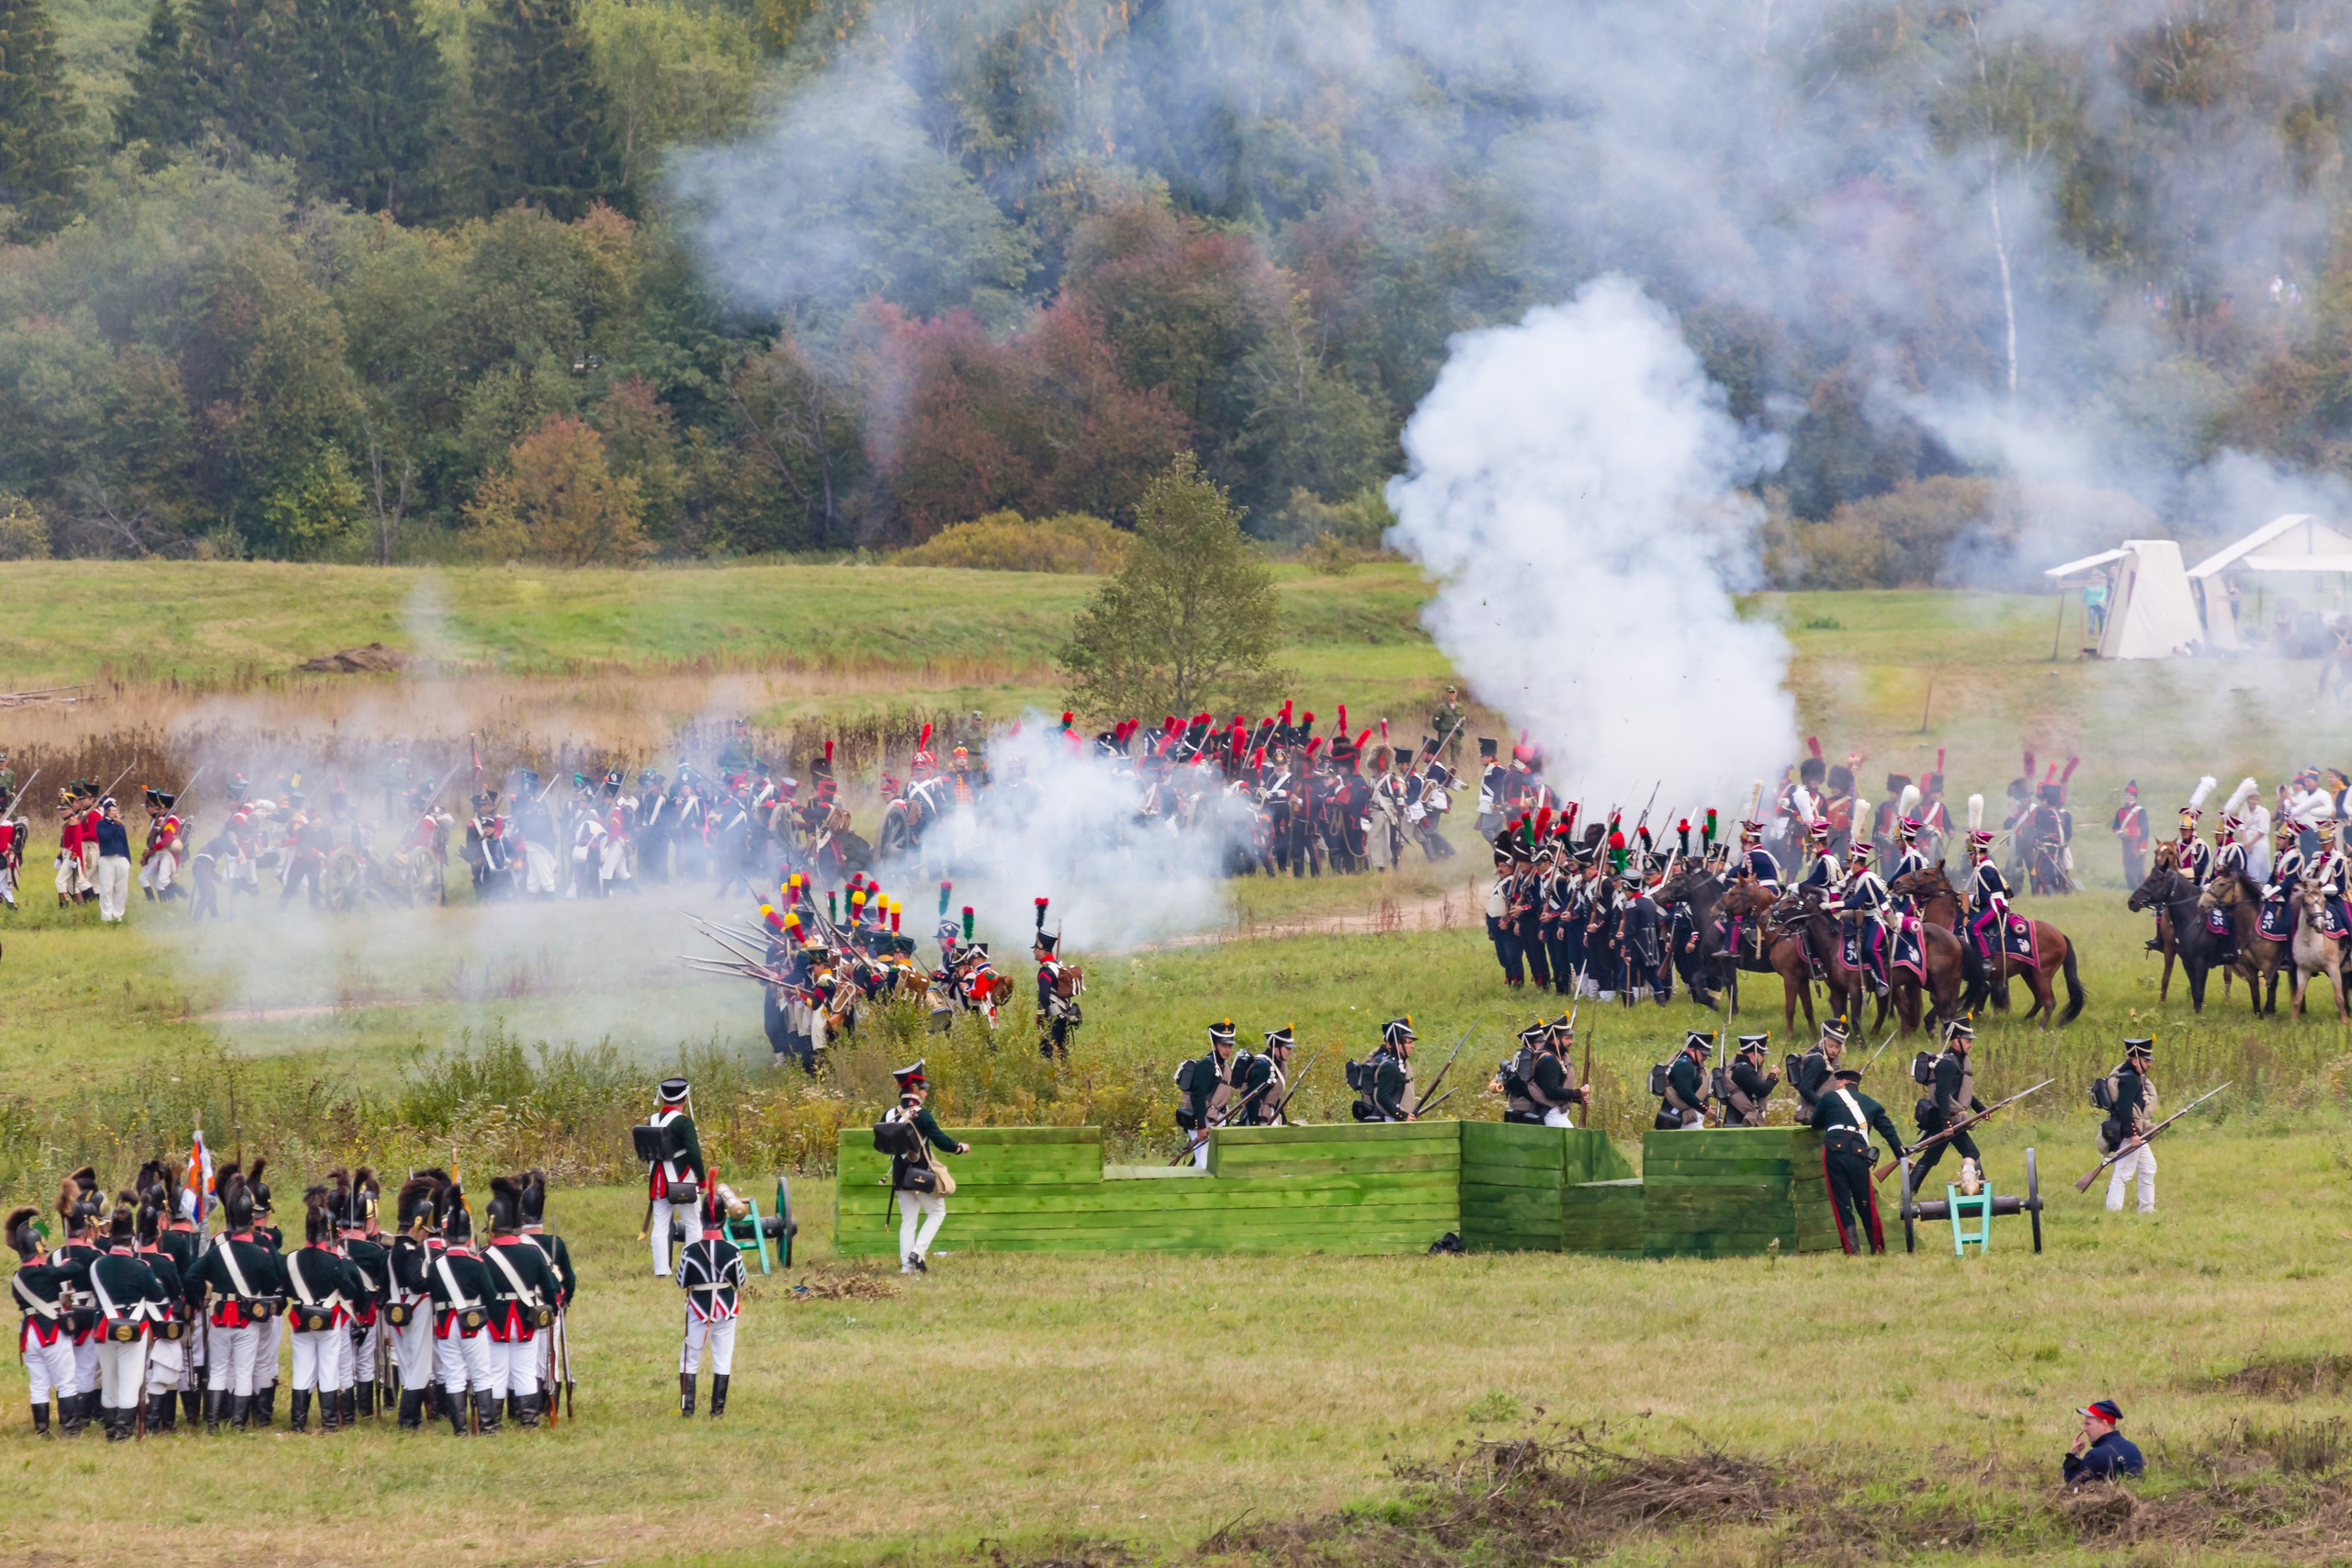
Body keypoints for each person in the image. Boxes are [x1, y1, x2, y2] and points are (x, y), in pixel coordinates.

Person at [189, 1163, 283, 1431]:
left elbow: (193, 1276)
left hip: (220, 1316)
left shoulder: (218, 1249)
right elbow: (271, 1284)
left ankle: (213, 1423)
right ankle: (240, 1425)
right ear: (251, 1219)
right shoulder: (261, 1252)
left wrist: (202, 1295)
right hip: (247, 1319)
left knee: (218, 1370)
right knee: (243, 1370)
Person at [481, 1176, 560, 1428]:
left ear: (492, 1228)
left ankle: (492, 1422)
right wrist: (553, 1310)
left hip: (495, 1321)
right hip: (526, 1319)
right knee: (525, 1371)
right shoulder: (532, 1252)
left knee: (496, 1372)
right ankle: (529, 1421)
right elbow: (550, 1288)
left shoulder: (484, 1257)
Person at [881, 1061, 967, 1272]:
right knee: (937, 1212)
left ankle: (906, 1267)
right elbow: (940, 1140)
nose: (926, 1093)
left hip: (900, 1178)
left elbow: (882, 1144)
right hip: (920, 1175)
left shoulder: (889, 1114)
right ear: (914, 1089)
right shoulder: (922, 1114)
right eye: (923, 1089)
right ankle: (917, 1253)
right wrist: (959, 1148)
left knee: (908, 1222)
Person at [1810, 1066, 1905, 1256]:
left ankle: (1852, 1251)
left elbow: (1815, 1122)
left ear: (1843, 1082)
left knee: (1842, 1203)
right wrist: (1902, 1157)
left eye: (1837, 1082)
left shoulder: (1829, 1097)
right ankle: (1877, 1248)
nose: (1835, 1085)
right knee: (1866, 1202)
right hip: (1859, 1153)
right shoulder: (1872, 1104)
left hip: (1834, 1152)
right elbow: (1889, 1132)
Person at [675, 1181, 748, 1418]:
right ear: (724, 1220)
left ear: (702, 1218)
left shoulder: (690, 1251)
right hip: (726, 1308)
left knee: (690, 1359)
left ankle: (688, 1410)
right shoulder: (733, 1250)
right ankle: (717, 1411)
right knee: (723, 1358)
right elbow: (741, 1281)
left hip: (698, 1308)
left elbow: (680, 1281)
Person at [427, 1186, 494, 1436]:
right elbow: (490, 1295)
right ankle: (487, 1427)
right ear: (469, 1238)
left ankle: (460, 1430)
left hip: (446, 1326)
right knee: (481, 1375)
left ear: (445, 1237)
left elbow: (432, 1293)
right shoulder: (476, 1264)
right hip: (473, 1324)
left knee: (454, 1375)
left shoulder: (435, 1267)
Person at [9, 1204, 81, 1436]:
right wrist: (67, 1263)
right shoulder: (47, 1272)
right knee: (66, 1381)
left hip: (29, 1334)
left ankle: (42, 1430)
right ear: (39, 1249)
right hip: (50, 1331)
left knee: (38, 1384)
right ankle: (69, 1428)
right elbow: (77, 1268)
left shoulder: (17, 1279)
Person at [285, 1189, 351, 1433]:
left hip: (301, 1318)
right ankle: (329, 1423)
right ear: (327, 1231)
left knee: (302, 1371)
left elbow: (287, 1289)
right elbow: (350, 1291)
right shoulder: (334, 1262)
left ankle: (298, 1423)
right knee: (328, 1370)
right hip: (328, 1320)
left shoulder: (291, 1259)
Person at [514, 1170, 574, 1419]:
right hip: (550, 1309)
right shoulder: (555, 1243)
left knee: (525, 1360)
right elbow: (569, 1280)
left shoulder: (517, 1244)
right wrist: (565, 1300)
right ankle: (550, 1407)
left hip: (522, 1308)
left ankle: (526, 1409)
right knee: (550, 1361)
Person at [388, 1174, 442, 1430]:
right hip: (415, 1310)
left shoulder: (395, 1249)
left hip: (399, 1311)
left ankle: (411, 1418)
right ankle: (408, 1420)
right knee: (419, 1367)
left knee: (410, 1366)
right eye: (424, 1231)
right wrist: (435, 1277)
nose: (425, 1236)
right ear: (416, 1226)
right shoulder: (410, 1251)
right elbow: (416, 1282)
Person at [1908, 1018, 1987, 1190]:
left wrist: (1982, 1109)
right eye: (1967, 1041)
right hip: (1945, 1118)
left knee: (1930, 1158)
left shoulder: (1957, 1062)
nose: (1970, 1045)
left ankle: (1907, 1193)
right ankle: (1981, 1189)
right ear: (1956, 1040)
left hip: (1947, 1118)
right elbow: (1941, 1095)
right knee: (1971, 1153)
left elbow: (1963, 1093)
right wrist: (1946, 1123)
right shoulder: (1947, 1064)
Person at [644, 1077, 706, 1278]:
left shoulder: (652, 1120)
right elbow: (694, 1153)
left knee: (660, 1223)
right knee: (693, 1222)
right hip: (681, 1179)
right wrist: (702, 1179)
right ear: (683, 1099)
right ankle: (692, 1267)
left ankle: (661, 1270)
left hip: (658, 1180)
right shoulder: (684, 1122)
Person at [2100, 1038, 2159, 1214]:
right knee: (2123, 1173)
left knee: (2149, 1168)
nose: (2149, 1064)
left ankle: (2147, 1209)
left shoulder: (2130, 1076)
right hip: (2130, 1133)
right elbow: (2125, 1109)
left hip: (2135, 1132)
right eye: (2146, 1060)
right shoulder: (2131, 1080)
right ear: (2135, 1061)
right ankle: (2113, 1211)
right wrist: (2133, 1134)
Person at [1177, 1021, 1240, 1162]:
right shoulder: (1207, 1065)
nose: (1228, 1050)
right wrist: (1201, 1127)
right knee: (1204, 1164)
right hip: (1203, 1120)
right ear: (1215, 1046)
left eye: (1230, 1046)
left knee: (1215, 1162)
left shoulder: (1223, 1065)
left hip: (1216, 1118)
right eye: (1224, 1045)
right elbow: (1197, 1097)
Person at [2064, 1399, 2144, 1484]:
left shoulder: (2095, 1456)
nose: (2084, 1429)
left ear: (2104, 1425)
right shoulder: (2133, 1448)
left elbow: (2072, 1483)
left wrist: (2072, 1456)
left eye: (2088, 1424)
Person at [1354, 1018, 1417, 1122]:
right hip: (1387, 1121)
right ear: (1398, 1044)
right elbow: (1382, 1097)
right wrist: (1401, 1115)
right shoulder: (1389, 1067)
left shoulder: (1396, 1064)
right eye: (1409, 1042)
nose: (1413, 1046)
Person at [1231, 1026, 1295, 1126]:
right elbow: (1251, 1097)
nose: (1290, 1051)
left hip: (1268, 1114)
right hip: (1258, 1117)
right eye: (1287, 1048)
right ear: (1276, 1048)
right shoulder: (1263, 1066)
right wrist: (1254, 1124)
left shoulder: (1277, 1064)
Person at [1656, 1031, 1713, 1129]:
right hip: (1680, 1117)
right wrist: (1704, 1109)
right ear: (1692, 1049)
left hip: (1690, 1117)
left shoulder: (1693, 1065)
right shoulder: (1684, 1065)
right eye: (1703, 1054)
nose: (1705, 1057)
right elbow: (1684, 1092)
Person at [1792, 1020, 1847, 1119]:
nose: (1834, 1050)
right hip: (1811, 1115)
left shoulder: (1831, 1059)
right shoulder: (1817, 1060)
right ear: (1823, 1042)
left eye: (1837, 1047)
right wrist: (1823, 1106)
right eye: (1830, 1046)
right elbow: (1805, 1089)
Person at [93, 795, 133, 923]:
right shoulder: (101, 824)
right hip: (106, 859)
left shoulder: (120, 826)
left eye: (116, 810)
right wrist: (115, 825)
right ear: (106, 812)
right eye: (112, 810)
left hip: (120, 858)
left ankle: (118, 914)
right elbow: (104, 837)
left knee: (121, 888)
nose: (115, 812)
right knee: (107, 888)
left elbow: (125, 842)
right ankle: (106, 916)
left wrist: (128, 859)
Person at [1722, 1034, 1777, 1127]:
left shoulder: (1740, 1066)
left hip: (1738, 1120)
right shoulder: (1744, 1069)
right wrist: (1772, 1076)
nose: (1764, 1058)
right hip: (1740, 1122)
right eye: (1762, 1054)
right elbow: (1762, 1090)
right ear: (1753, 1054)